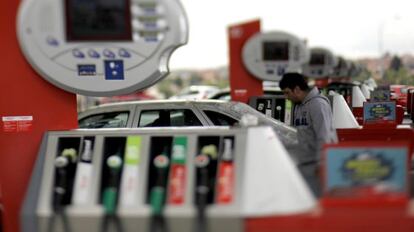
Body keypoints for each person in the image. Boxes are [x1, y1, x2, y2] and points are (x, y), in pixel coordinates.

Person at [279, 72, 338, 196]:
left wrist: (321, 164)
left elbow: (324, 136)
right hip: (305, 164)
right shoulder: (299, 106)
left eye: (287, 92)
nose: (286, 97)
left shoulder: (318, 104)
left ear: (297, 89)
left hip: (317, 166)